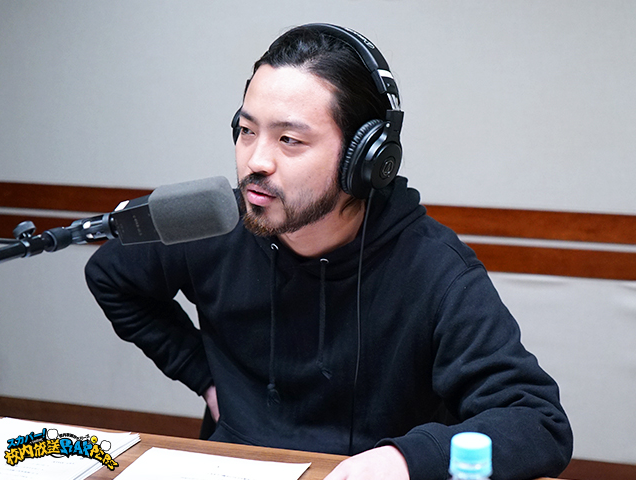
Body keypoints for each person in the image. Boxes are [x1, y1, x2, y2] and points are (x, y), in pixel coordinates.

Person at [85, 23, 573, 480]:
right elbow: (110, 276)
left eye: (289, 139)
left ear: (364, 159)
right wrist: (204, 377)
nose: (256, 160)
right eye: (247, 130)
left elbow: (537, 421)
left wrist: (406, 458)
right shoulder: (213, 223)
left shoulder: (434, 269)